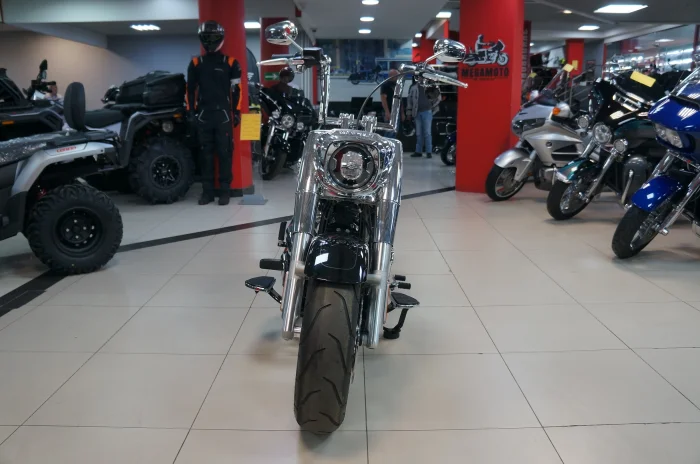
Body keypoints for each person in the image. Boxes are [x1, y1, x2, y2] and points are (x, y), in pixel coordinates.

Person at [187, 20, 242, 206]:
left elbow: (237, 90)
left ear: (221, 38)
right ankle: (207, 192)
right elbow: (190, 90)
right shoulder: (196, 63)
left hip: (223, 116)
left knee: (225, 154)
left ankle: (225, 191)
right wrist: (191, 112)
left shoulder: (231, 63)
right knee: (206, 155)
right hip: (204, 115)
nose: (210, 41)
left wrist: (236, 112)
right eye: (207, 37)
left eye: (214, 37)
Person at [406, 77, 440, 158]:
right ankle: (418, 151)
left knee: (427, 133)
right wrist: (409, 113)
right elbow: (409, 100)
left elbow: (438, 98)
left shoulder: (432, 86)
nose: (420, 78)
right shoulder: (413, 87)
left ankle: (429, 152)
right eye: (419, 77)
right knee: (419, 133)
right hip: (417, 112)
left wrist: (432, 106)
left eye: (422, 77)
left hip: (427, 111)